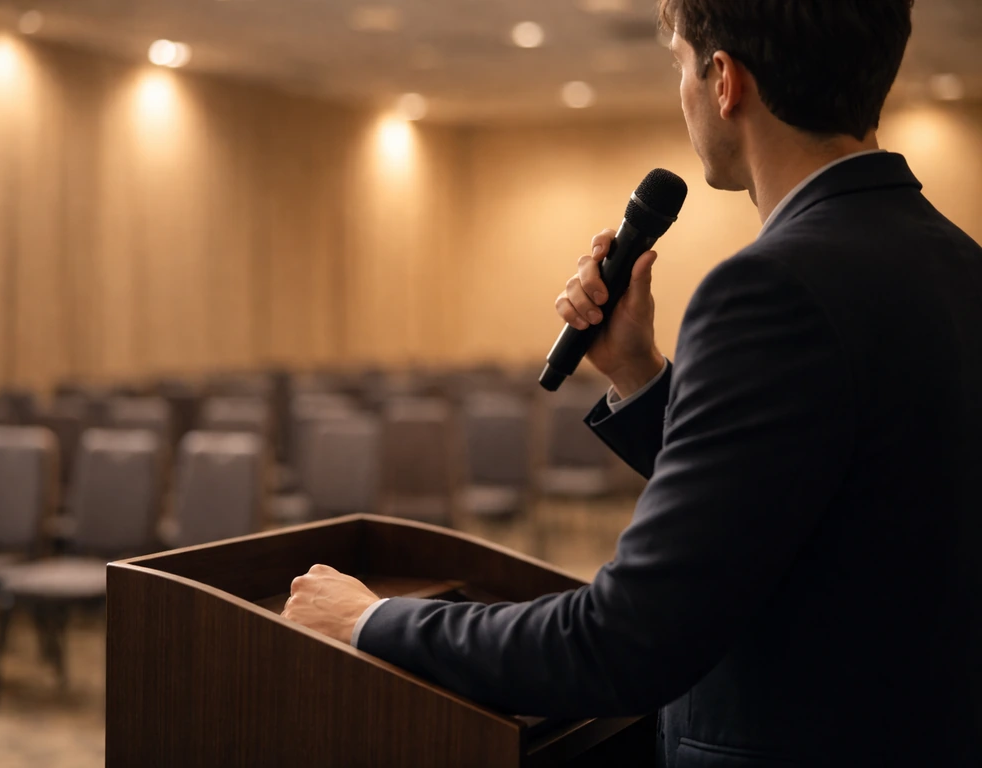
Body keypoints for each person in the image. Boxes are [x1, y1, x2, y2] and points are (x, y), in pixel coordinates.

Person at [282, 1, 982, 764]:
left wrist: (371, 621)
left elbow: (622, 642)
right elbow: (817, 495)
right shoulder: (954, 260)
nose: (680, 88)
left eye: (680, 62)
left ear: (724, 81)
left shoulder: (770, 287)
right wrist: (638, 372)